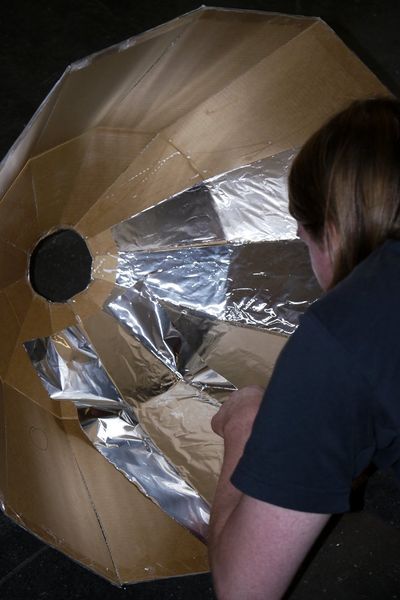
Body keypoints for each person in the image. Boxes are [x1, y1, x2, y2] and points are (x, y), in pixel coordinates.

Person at [208, 97, 400, 599]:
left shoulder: (338, 342)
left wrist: (245, 426)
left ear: (332, 233)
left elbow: (243, 590)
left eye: (305, 239)